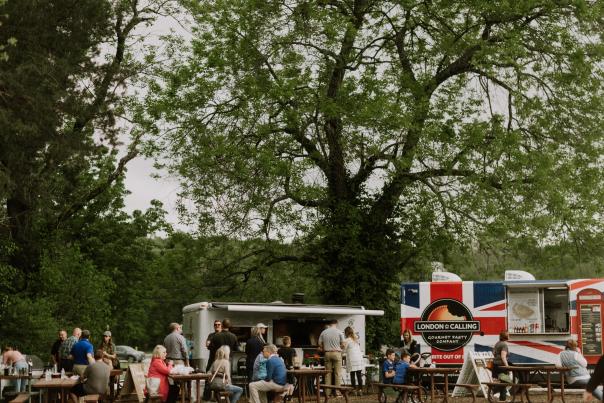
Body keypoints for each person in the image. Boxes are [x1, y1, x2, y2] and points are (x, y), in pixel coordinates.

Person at [318, 319, 345, 394]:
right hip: (337, 353)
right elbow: (343, 344)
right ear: (336, 323)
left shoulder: (323, 332)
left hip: (327, 353)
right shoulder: (339, 332)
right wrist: (340, 347)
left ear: (329, 324)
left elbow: (319, 344)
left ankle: (327, 393)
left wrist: (324, 348)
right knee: (337, 373)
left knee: (327, 373)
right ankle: (337, 392)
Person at [492, 330, 512, 402]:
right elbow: (503, 357)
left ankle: (502, 399)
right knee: (506, 381)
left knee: (502, 381)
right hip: (501, 366)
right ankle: (493, 391)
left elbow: (493, 353)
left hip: (495, 365)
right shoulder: (504, 345)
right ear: (505, 336)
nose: (509, 336)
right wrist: (508, 367)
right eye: (508, 335)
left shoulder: (497, 343)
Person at [344, 326, 364, 395]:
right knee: (359, 375)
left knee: (352, 375)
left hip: (352, 359)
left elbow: (344, 349)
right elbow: (356, 335)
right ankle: (360, 390)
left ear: (346, 333)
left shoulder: (346, 340)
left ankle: (354, 390)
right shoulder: (356, 338)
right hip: (359, 359)